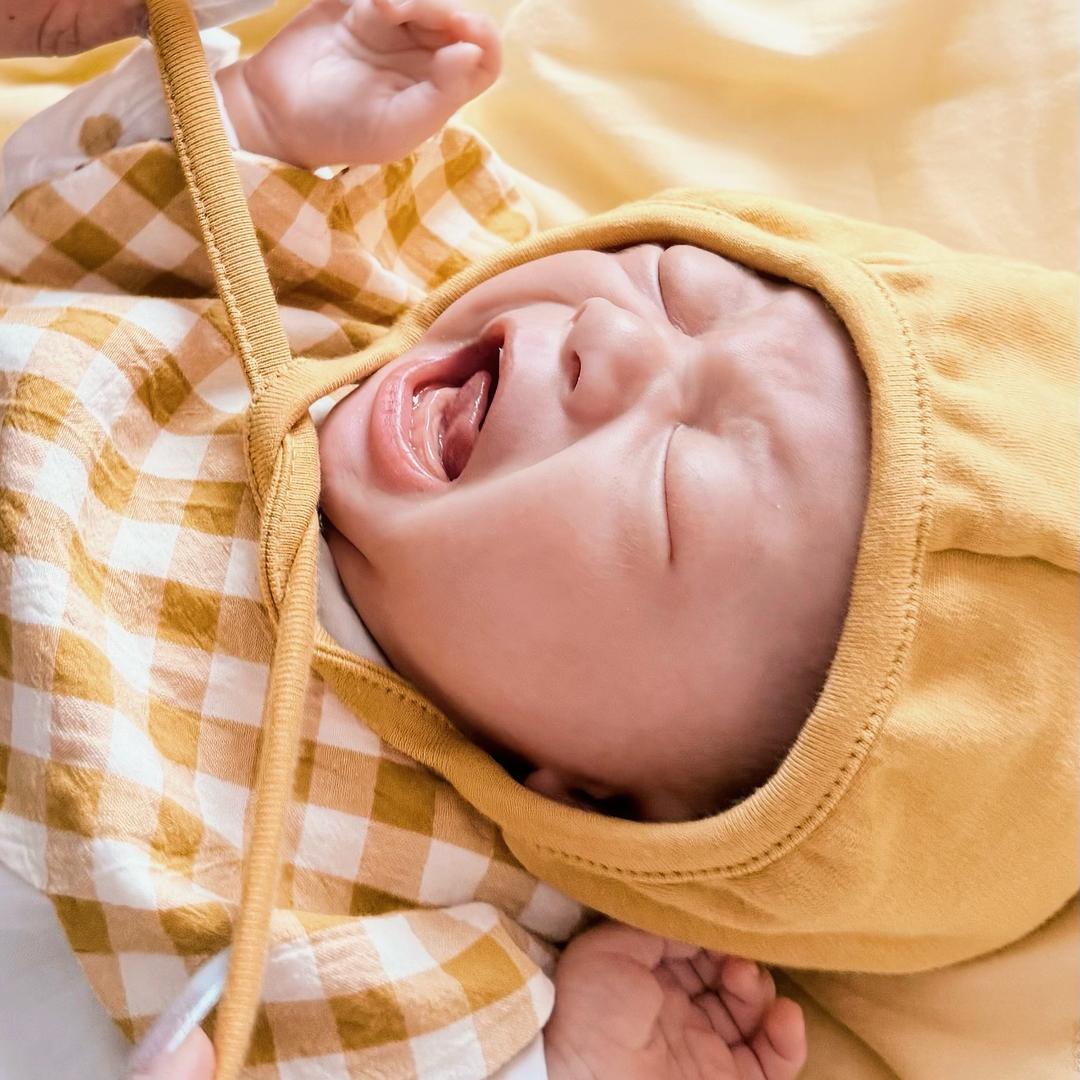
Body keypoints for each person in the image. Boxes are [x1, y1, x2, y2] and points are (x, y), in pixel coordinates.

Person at [1, 1, 1075, 1079]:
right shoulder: (319, 283)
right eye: (678, 290)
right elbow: (39, 223)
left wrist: (576, 1063)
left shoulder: (427, 928)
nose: (609, 339)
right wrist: (256, 116)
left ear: (613, 801)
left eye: (672, 488)